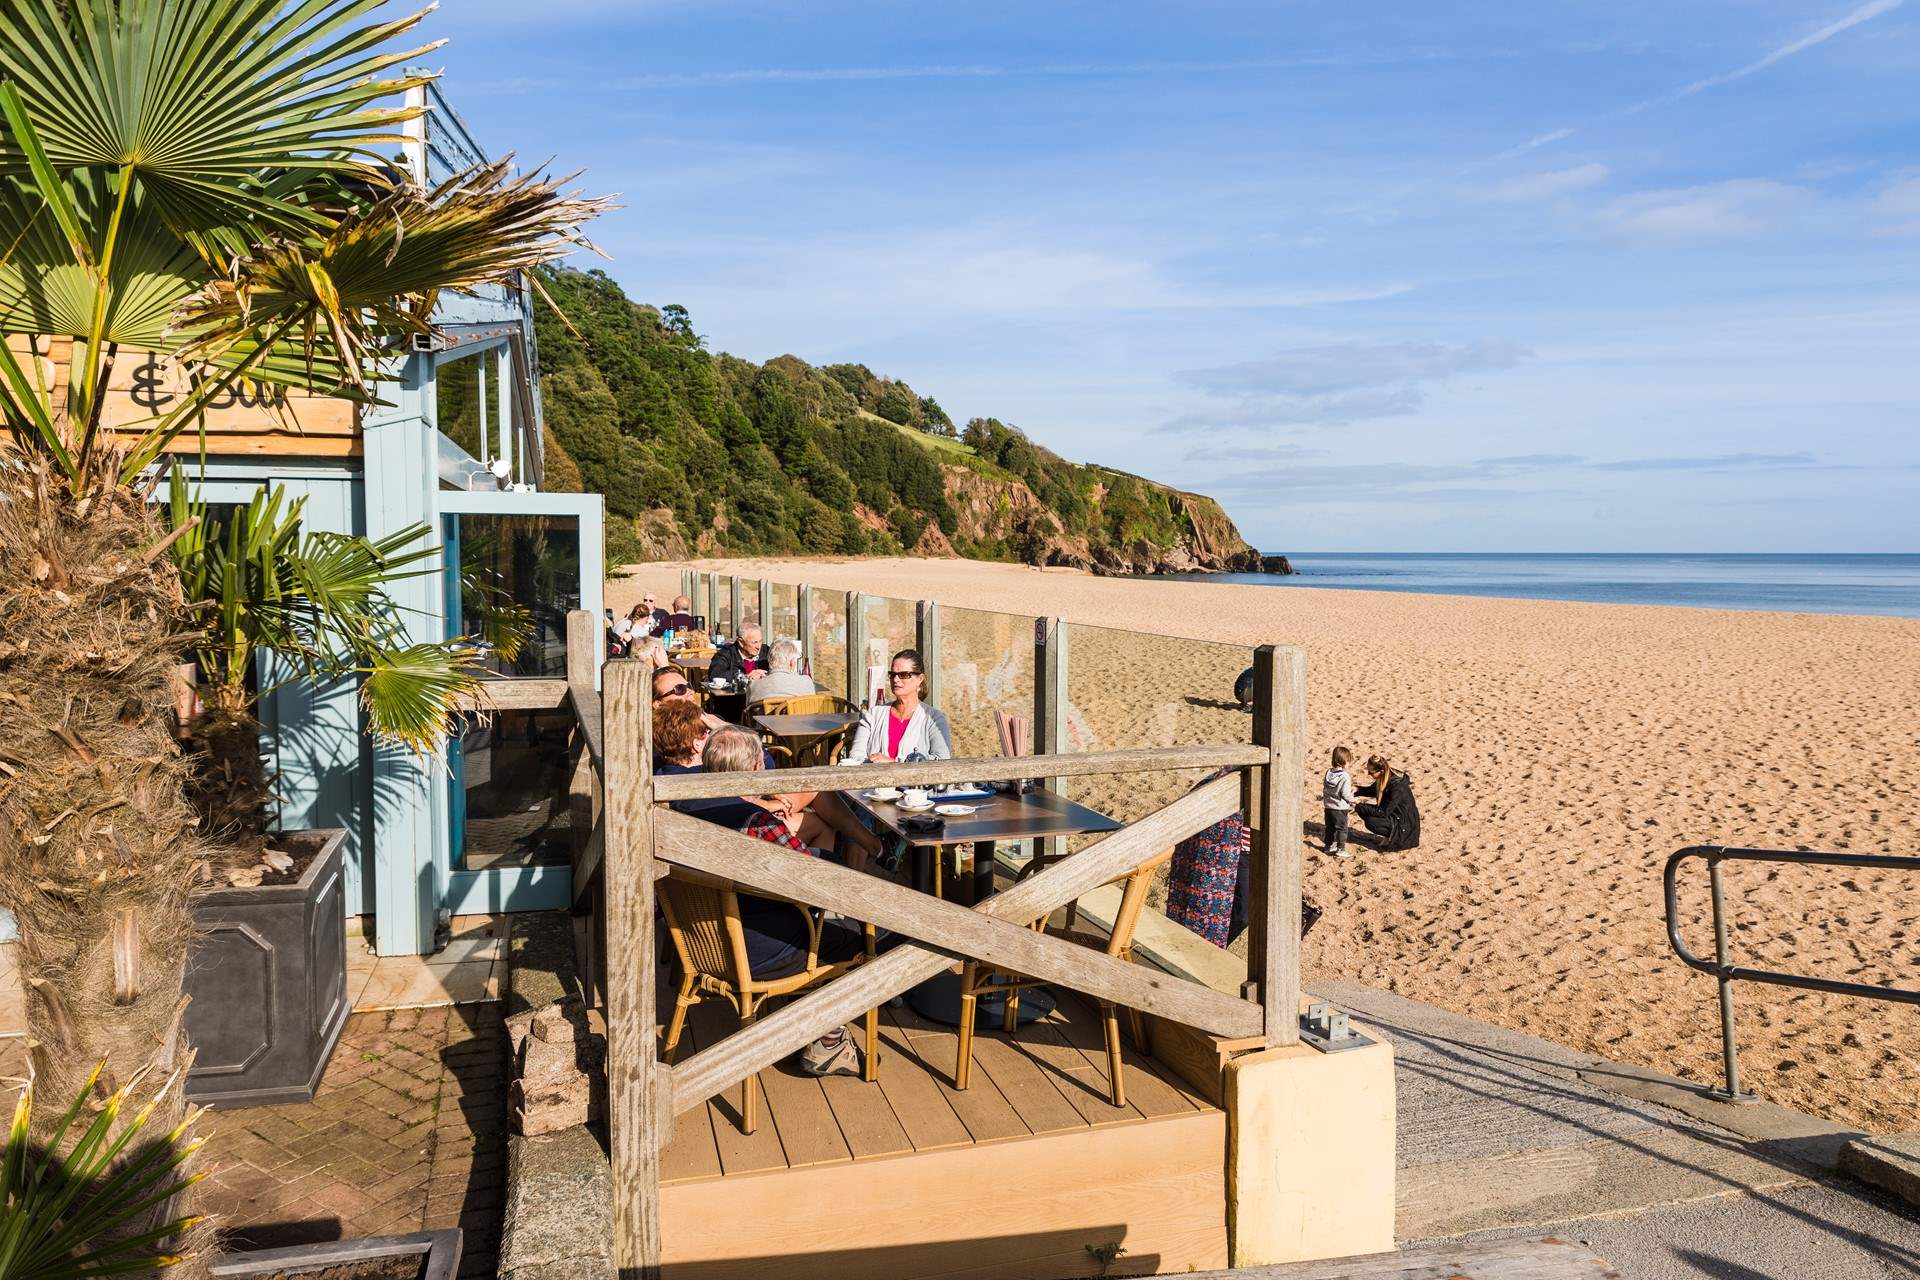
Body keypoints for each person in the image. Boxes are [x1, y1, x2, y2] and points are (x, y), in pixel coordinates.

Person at [681, 726, 884, 1075]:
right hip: (761, 949)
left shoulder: (685, 809)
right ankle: (828, 1044)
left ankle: (801, 1025)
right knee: (857, 941)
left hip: (700, 943)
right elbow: (820, 879)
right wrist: (827, 856)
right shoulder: (756, 823)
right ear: (759, 768)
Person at [1166, 768, 1325, 948]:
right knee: (1243, 913)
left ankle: (1214, 949)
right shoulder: (1231, 781)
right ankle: (1212, 949)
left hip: (1261, 853)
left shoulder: (1278, 784)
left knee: (1250, 910)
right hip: (1237, 854)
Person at [841, 648, 952, 763]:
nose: (895, 679)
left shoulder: (934, 719)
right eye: (893, 674)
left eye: (903, 675)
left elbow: (942, 760)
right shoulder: (873, 715)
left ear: (920, 679)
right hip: (875, 780)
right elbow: (856, 756)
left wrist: (893, 763)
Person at [1355, 754, 1421, 852]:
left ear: (1381, 771)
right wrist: (1356, 790)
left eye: (1371, 772)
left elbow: (1382, 812)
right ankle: (1388, 835)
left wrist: (1358, 805)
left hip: (1405, 826)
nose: (1368, 774)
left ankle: (1392, 837)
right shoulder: (1385, 777)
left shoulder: (1396, 787)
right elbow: (1371, 791)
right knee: (1363, 810)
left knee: (1370, 821)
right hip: (1395, 815)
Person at [744, 638, 819, 706]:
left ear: (769, 661)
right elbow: (813, 707)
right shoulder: (806, 682)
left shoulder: (754, 685)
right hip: (799, 720)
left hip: (767, 721)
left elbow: (747, 710)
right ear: (792, 663)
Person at [653, 666, 728, 732]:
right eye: (680, 688)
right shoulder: (661, 740)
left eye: (689, 686)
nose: (692, 691)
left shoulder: (714, 720)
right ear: (658, 705)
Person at [653, 698, 709, 775]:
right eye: (707, 731)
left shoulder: (657, 770)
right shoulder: (710, 774)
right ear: (697, 744)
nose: (710, 735)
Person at [1323, 745, 1357, 858]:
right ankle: (1341, 849)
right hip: (1340, 808)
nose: (1349, 764)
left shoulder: (1328, 773)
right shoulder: (1345, 776)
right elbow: (1345, 794)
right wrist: (1353, 800)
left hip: (1328, 806)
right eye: (1348, 761)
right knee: (1342, 828)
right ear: (1343, 762)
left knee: (1330, 828)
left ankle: (1328, 846)